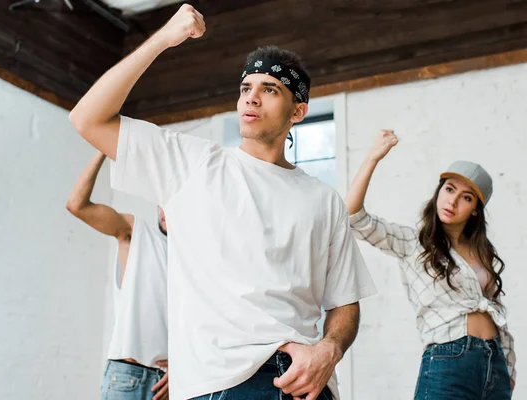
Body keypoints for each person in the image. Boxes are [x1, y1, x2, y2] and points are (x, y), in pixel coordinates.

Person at [69, 5, 376, 399]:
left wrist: (329, 352)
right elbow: (87, 119)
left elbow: (345, 302)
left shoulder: (324, 199)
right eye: (246, 88)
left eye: (270, 90)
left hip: (306, 385)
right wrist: (163, 39)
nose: (252, 98)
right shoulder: (192, 164)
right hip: (221, 386)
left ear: (297, 111)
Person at [345, 130, 516, 399]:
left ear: (475, 209)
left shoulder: (481, 253)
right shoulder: (413, 243)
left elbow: (496, 310)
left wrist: (507, 367)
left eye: (466, 197)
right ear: (439, 192)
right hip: (449, 359)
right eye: (449, 190)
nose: (453, 201)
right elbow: (354, 217)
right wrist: (373, 158)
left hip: (494, 363)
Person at [66, 151, 169, 400]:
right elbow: (77, 205)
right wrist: (101, 149)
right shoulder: (137, 232)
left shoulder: (195, 259)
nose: (166, 210)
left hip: (171, 383)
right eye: (162, 202)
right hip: (129, 377)